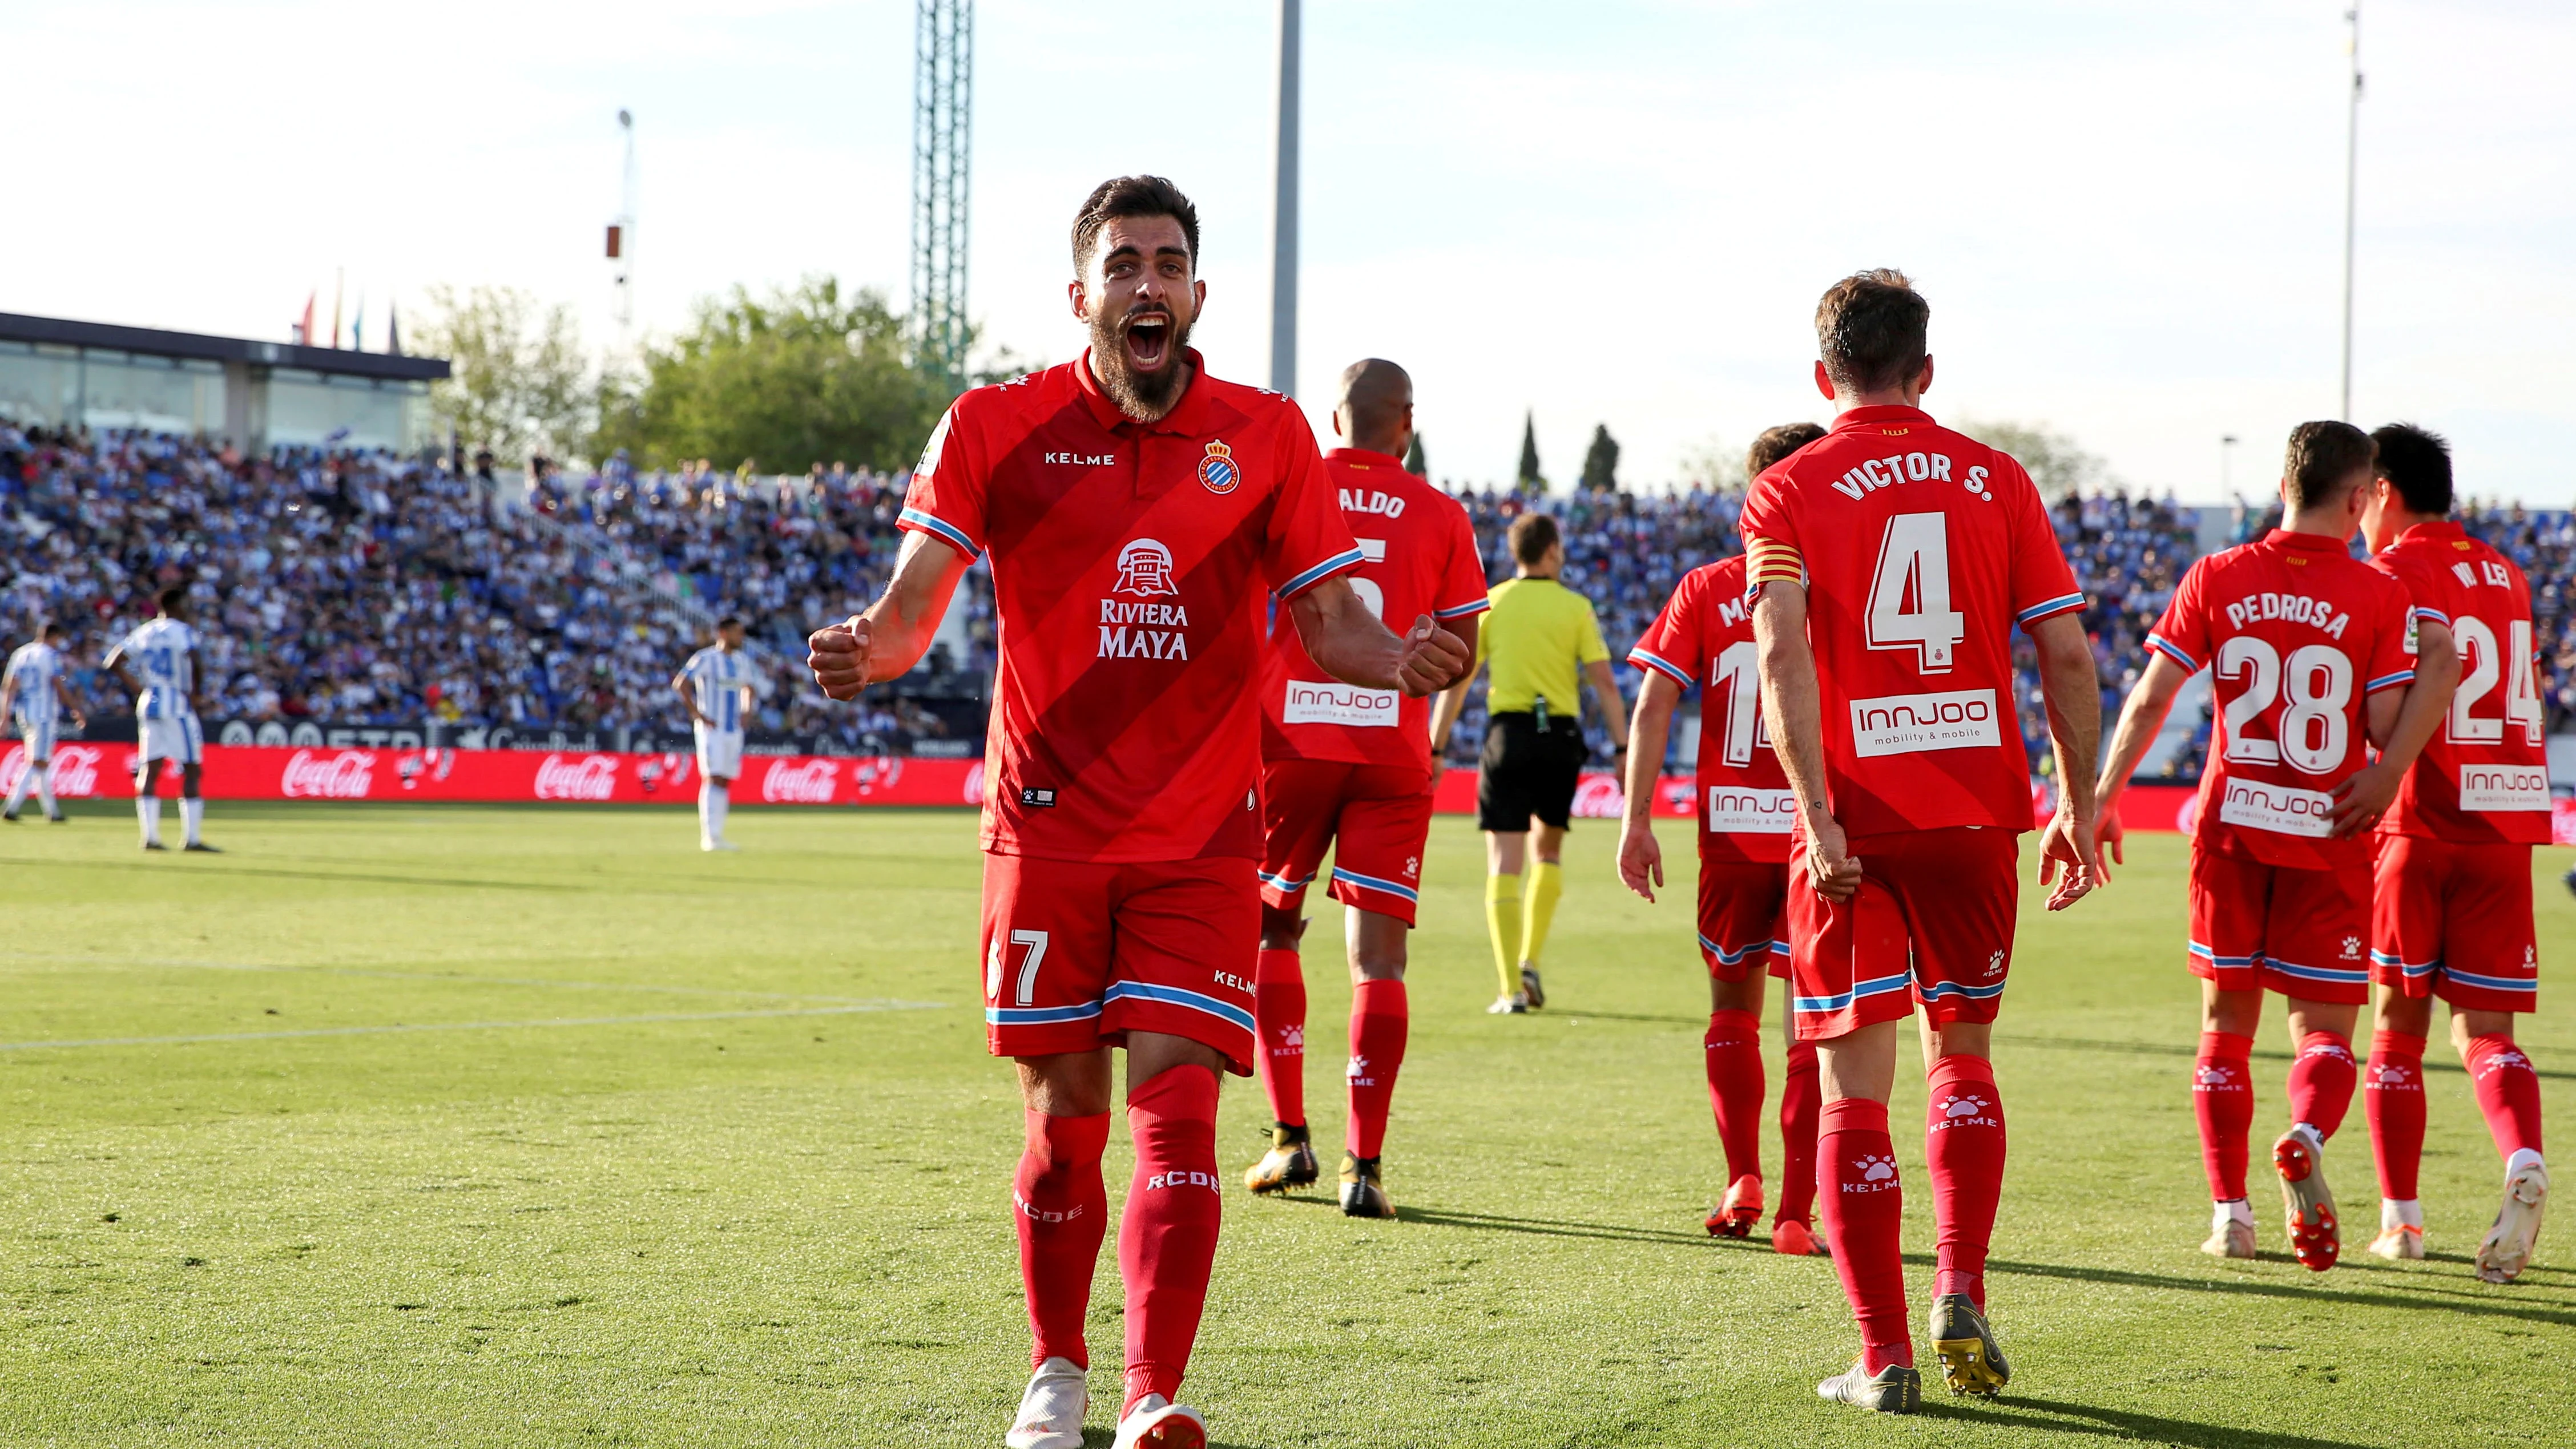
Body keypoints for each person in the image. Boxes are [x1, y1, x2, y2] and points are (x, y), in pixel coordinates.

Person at [803, 176, 1466, 1449]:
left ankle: (1154, 1390)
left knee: (1180, 1109)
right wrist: (868, 653)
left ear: (1197, 293)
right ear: (1083, 296)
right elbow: (910, 602)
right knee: (1064, 1126)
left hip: (1202, 836)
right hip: (1043, 830)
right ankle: (1055, 1375)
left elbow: (1333, 624)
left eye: (1168, 262)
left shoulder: (1268, 436)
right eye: (1124, 265)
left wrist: (1402, 659)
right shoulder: (995, 424)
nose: (1147, 282)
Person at [1741, 269, 2104, 1412]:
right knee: (1964, 1053)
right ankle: (1960, 1283)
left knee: (1853, 1085)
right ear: (1927, 372)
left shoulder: (1787, 488)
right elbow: (2068, 655)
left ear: (1821, 375)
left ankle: (1882, 1352)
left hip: (1851, 813)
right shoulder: (1998, 480)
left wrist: (1812, 810)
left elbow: (1782, 653)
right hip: (1970, 815)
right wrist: (2079, 803)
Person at [2093, 421, 2440, 1275]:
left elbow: (2150, 699)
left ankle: (2232, 1215)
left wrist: (2101, 797)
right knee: (2323, 1033)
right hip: (2330, 833)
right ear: (2358, 498)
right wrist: (2390, 769)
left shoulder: (2217, 573)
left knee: (2224, 1030)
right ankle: (2306, 1131)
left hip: (2230, 830)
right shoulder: (2376, 594)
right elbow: (2384, 727)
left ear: (2284, 482)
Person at [1240, 358, 1486, 1218]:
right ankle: (1365, 1166)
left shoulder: (1290, 486)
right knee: (1379, 960)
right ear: (1406, 424)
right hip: (1390, 751)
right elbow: (1461, 651)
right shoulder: (1443, 513)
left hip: (1289, 737)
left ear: (1332, 419)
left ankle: (1286, 1137)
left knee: (1272, 925)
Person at [1616, 421, 1830, 1254]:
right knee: (1813, 1019)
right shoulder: (1836, 583)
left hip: (1730, 837)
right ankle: (1797, 1210)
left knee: (1730, 1005)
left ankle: (1742, 1174)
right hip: (1815, 832)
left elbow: (1653, 704)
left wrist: (1637, 818)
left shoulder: (1704, 587)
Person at [2353, 422, 2549, 1281]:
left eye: (2363, 497)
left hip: (2419, 818)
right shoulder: (2507, 572)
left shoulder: (2394, 570)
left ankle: (2400, 1220)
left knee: (2396, 1031)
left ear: (2386, 491)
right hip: (2506, 825)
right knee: (2490, 1033)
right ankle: (2522, 1157)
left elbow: (2404, 693)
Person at [1431, 511, 1630, 1013]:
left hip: (1508, 734)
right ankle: (1531, 960)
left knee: (1503, 860)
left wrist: (1435, 746)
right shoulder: (1576, 607)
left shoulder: (1492, 603)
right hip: (1559, 738)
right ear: (1551, 551)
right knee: (1548, 853)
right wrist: (1624, 748)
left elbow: (1458, 682)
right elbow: (1604, 683)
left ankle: (1508, 989)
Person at [105, 587, 216, 853]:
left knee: (150, 768)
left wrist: (140, 688)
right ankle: (192, 839)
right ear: (177, 606)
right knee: (191, 767)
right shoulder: (183, 631)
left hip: (150, 700)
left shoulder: (144, 631)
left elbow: (113, 662)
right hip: (176, 701)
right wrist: (197, 696)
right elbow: (196, 660)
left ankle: (151, 838)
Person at [675, 616, 756, 852]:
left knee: (724, 779)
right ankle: (710, 837)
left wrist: (747, 711)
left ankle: (718, 835)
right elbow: (681, 683)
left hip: (733, 729)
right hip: (712, 728)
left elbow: (749, 688)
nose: (741, 637)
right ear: (722, 633)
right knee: (712, 776)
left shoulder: (741, 661)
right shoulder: (706, 658)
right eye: (736, 632)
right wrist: (698, 715)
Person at [2, 621, 84, 824]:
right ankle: (11, 807)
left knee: (42, 763)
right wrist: (76, 708)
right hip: (44, 714)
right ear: (54, 637)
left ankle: (53, 812)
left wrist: (5, 717)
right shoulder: (50, 655)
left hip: (25, 712)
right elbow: (58, 683)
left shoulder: (21, 653)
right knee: (37, 761)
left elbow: (10, 686)